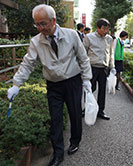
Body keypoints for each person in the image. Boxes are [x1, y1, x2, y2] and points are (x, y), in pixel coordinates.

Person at [7, 4, 92, 166]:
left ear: (53, 21)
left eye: (43, 23)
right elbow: (27, 64)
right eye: (37, 24)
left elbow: (83, 57)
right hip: (53, 84)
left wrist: (87, 79)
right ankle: (58, 153)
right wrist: (16, 84)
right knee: (55, 119)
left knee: (75, 113)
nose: (40, 28)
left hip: (73, 81)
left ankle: (75, 141)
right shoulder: (36, 42)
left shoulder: (71, 35)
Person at [82, 18, 115, 120]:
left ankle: (101, 111)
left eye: (107, 29)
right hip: (91, 67)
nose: (106, 31)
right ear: (97, 28)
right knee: (89, 89)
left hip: (103, 68)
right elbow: (83, 53)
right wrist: (83, 69)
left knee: (102, 91)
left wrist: (112, 67)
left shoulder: (109, 39)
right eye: (104, 29)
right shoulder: (89, 37)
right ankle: (87, 109)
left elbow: (111, 53)